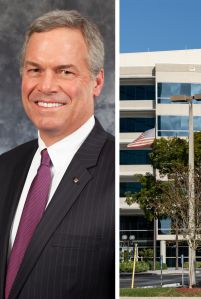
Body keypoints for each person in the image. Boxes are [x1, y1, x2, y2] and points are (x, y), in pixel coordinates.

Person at [0, 10, 114, 299]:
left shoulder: (116, 171)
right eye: (35, 70)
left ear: (97, 82)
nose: (46, 86)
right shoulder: (5, 168)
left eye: (65, 71)